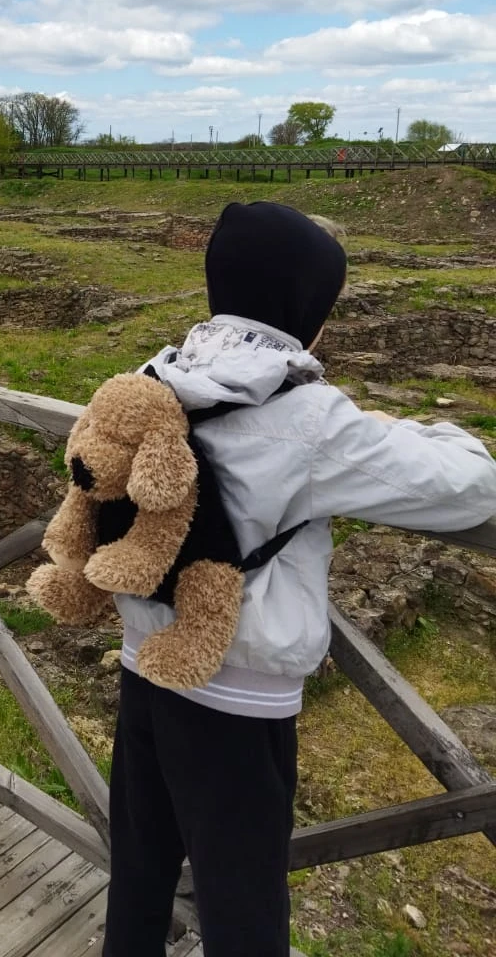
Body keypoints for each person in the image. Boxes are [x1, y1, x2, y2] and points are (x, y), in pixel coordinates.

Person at [102, 201, 496, 957]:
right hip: (238, 702)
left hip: (144, 666)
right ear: (305, 307)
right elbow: (472, 486)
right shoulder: (310, 416)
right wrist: (411, 426)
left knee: (141, 871)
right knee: (243, 902)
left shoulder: (156, 374)